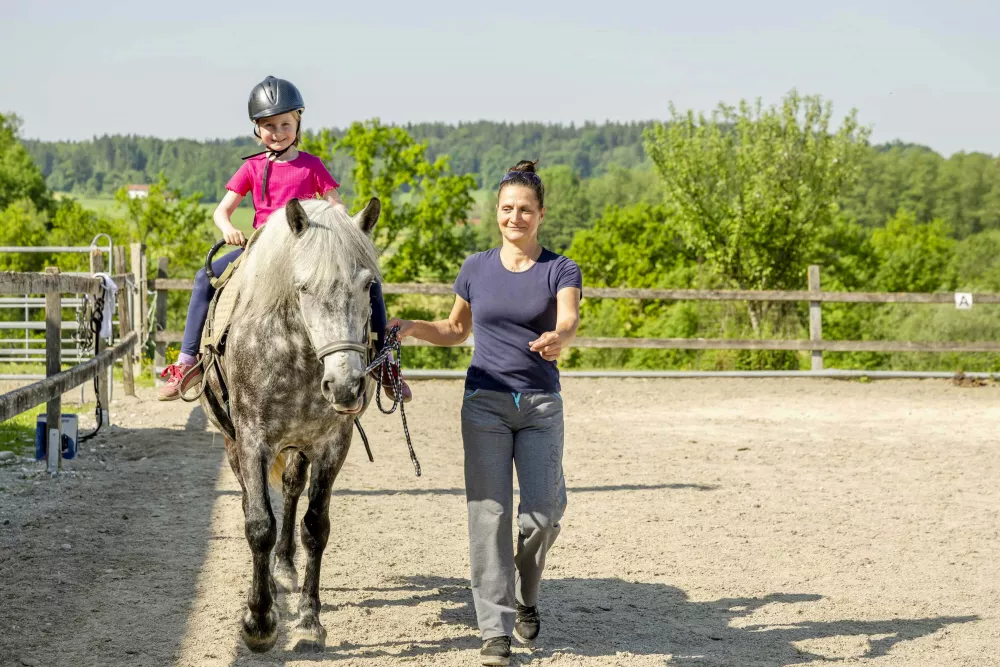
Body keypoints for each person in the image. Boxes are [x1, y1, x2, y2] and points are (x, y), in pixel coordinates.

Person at [389, 161, 582, 666]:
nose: (514, 218)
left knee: (541, 516)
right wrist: (410, 325)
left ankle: (528, 593)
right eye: (506, 209)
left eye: (524, 210)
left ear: (541, 215)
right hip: (484, 406)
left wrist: (559, 338)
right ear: (496, 212)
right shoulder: (475, 267)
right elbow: (456, 330)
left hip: (540, 405)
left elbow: (568, 317)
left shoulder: (560, 268)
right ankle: (493, 630)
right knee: (488, 517)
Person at [158, 75, 411, 403]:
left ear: (298, 122)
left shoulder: (311, 166)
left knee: (368, 281)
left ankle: (382, 359)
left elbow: (336, 205)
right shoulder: (251, 168)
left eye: (284, 124)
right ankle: (188, 361)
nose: (277, 133)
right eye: (269, 125)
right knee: (202, 280)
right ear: (257, 129)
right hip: (263, 249)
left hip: (311, 249)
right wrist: (227, 229)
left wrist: (348, 233)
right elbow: (222, 211)